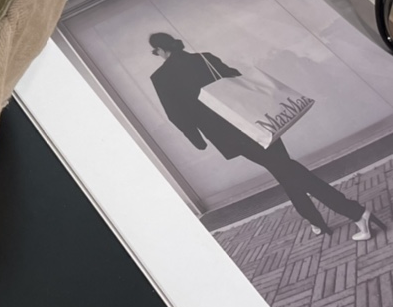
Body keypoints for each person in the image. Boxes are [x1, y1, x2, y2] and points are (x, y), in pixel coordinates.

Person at [147, 32, 385, 240]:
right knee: (284, 170)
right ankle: (316, 220)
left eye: (155, 52)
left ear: (160, 50)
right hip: (257, 122)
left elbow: (176, 114)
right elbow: (237, 79)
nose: (157, 55)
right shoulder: (204, 58)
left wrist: (197, 140)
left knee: (287, 171)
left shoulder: (161, 78)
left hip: (230, 135)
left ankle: (355, 213)